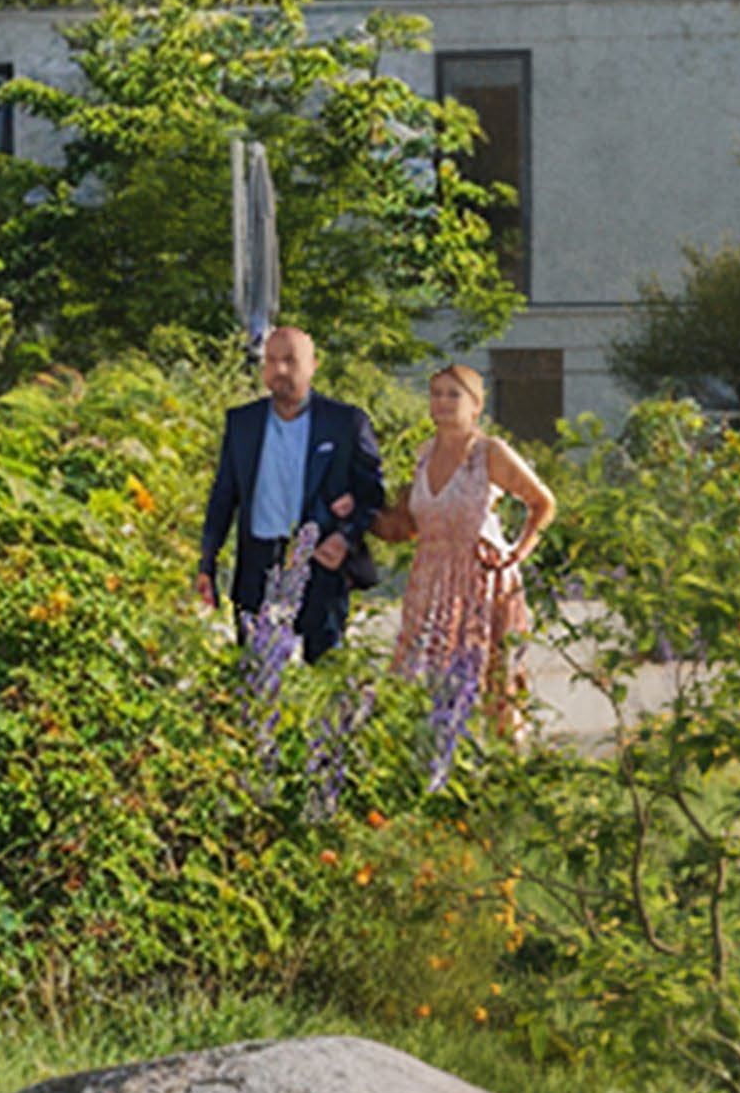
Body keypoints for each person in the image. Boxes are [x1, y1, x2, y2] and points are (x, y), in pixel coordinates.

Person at [382, 356, 555, 764]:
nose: (442, 403)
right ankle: (427, 765)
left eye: (453, 395)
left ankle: (504, 772)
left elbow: (542, 502)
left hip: (481, 580)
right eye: (436, 394)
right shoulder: (423, 453)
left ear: (476, 405)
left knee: (493, 682)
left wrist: (518, 550)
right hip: (430, 579)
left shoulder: (489, 452)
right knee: (418, 674)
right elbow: (411, 522)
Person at [197, 319, 388, 667]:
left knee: (324, 673)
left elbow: (372, 493)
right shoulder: (242, 423)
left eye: (290, 360)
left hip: (320, 561)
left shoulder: (346, 423)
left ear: (313, 365)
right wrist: (206, 564)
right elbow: (224, 496)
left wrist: (345, 537)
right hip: (257, 560)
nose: (279, 369)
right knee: (254, 672)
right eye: (271, 361)